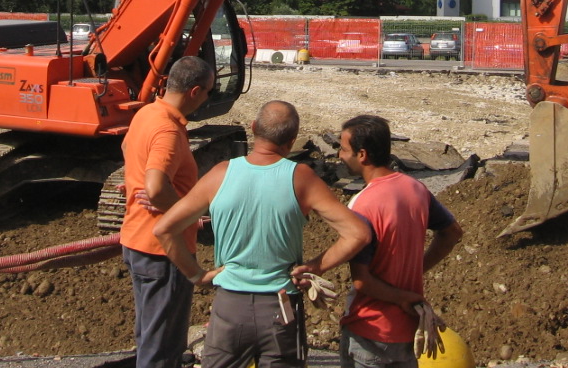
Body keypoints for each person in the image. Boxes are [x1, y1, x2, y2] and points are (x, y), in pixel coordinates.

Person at [154, 100, 371, 368]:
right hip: (281, 308)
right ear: (291, 140)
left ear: (254, 127)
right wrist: (314, 267)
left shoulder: (220, 174)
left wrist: (197, 275)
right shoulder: (301, 177)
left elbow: (164, 229)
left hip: (229, 308)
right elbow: (358, 233)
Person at [337, 114, 464, 368]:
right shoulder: (415, 189)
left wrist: (399, 297)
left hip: (370, 332)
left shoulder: (362, 204)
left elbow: (362, 281)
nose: (339, 155)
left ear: (362, 155)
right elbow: (452, 233)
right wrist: (417, 270)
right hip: (406, 333)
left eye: (343, 149)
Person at [120, 55, 216, 368]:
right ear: (195, 92)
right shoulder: (168, 131)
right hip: (163, 252)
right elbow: (157, 187)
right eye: (208, 92)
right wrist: (186, 213)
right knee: (161, 345)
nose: (207, 99)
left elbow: (129, 154)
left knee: (150, 334)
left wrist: (137, 183)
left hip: (137, 241)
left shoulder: (147, 113)